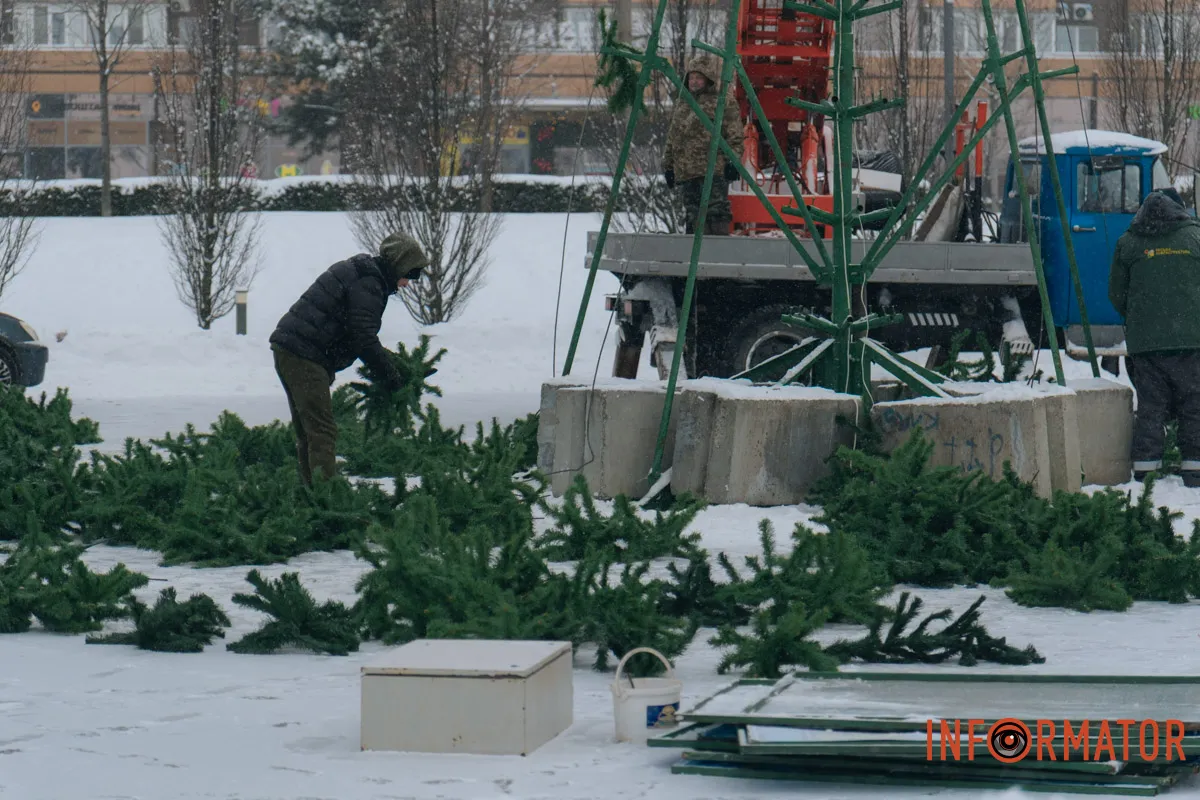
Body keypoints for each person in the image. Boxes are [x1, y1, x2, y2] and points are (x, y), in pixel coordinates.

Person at [269, 232, 429, 485]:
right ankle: (327, 503)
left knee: (310, 432)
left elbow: (360, 333)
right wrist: (391, 375)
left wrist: (391, 363)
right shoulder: (369, 283)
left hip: (292, 348)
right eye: (410, 274)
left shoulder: (364, 274)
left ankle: (311, 495)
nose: (408, 283)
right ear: (398, 265)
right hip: (304, 354)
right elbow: (362, 337)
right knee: (322, 432)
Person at [1108, 187, 1200, 486]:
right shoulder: (1195, 239)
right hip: (1191, 340)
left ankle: (1146, 468)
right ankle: (1194, 468)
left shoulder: (1129, 242)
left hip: (1146, 344)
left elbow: (1116, 294)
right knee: (1194, 404)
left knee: (1150, 406)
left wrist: (1139, 319)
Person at [662, 52, 745, 236]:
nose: (694, 81)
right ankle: (696, 258)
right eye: (692, 77)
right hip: (687, 171)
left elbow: (735, 135)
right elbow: (673, 137)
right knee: (693, 216)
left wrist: (733, 161)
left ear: (708, 80)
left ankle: (716, 256)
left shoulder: (722, 102)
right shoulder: (683, 103)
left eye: (699, 77)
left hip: (713, 170)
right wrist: (668, 166)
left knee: (716, 213)